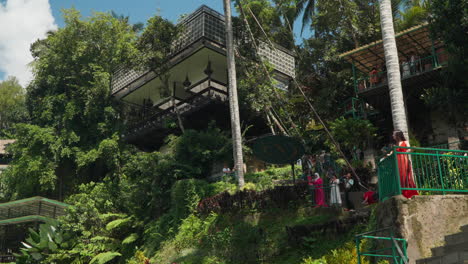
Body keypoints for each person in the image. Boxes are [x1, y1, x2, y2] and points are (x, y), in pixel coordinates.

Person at [392, 130, 419, 199]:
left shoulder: (405, 142)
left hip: (404, 160)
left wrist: (412, 149)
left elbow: (408, 150)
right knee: (399, 177)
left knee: (405, 176)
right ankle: (400, 192)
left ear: (398, 135)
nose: (393, 136)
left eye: (394, 134)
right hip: (397, 162)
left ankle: (408, 193)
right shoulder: (395, 145)